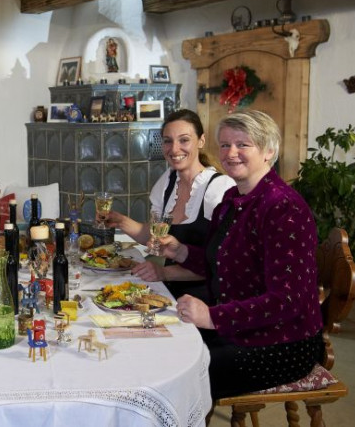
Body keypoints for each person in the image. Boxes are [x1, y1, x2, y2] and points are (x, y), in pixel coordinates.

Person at [159, 110, 324, 399]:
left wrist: (212, 317)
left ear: (269, 151)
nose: (231, 153)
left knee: (173, 376)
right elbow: (222, 266)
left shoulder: (283, 207)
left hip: (282, 343)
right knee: (160, 345)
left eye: (242, 144)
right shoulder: (231, 199)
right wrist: (181, 251)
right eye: (225, 145)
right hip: (240, 325)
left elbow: (288, 300)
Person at [105, 109, 235, 303]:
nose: (174, 149)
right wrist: (120, 221)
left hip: (204, 302)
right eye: (168, 141)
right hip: (168, 294)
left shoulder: (220, 188)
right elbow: (156, 236)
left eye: (184, 140)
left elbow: (220, 263)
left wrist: (164, 272)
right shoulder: (168, 181)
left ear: (201, 141)